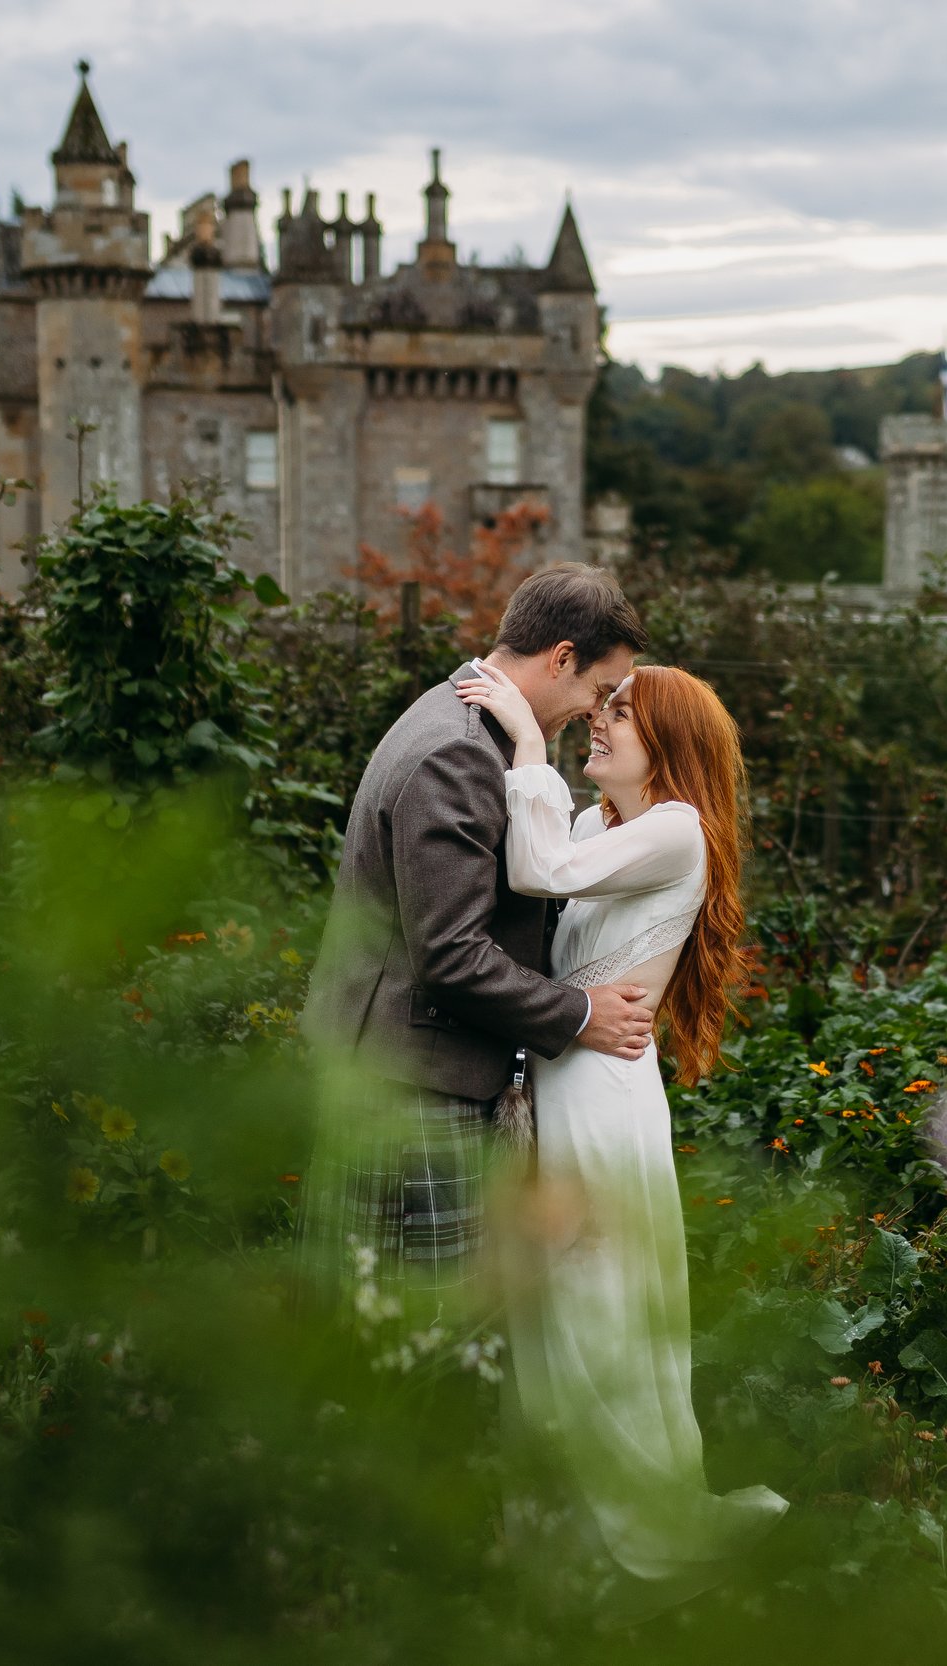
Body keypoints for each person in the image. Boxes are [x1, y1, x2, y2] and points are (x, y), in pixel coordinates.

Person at [455, 658, 788, 1592]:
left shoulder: (678, 831)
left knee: (601, 1310)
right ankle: (568, 1528)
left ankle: (653, 1530)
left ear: (669, 747)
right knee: (551, 1310)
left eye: (622, 715)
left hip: (603, 1098)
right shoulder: (611, 822)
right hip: (564, 1081)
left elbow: (538, 866)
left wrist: (529, 739)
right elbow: (548, 865)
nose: (600, 723)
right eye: (600, 708)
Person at [299, 564, 654, 1322]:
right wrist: (579, 1012)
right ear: (560, 658)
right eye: (598, 691)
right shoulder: (461, 751)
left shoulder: (460, 721)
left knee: (375, 1324)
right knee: (430, 1337)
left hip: (398, 1068)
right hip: (418, 1083)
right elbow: (451, 954)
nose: (596, 712)